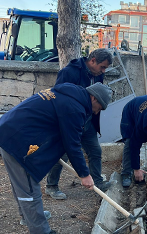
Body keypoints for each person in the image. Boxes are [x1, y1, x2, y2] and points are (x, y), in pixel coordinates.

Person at [0, 82, 113, 234]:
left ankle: (28, 216)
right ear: (94, 98)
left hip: (10, 130)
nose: (97, 112)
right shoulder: (75, 108)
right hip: (16, 140)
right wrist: (84, 174)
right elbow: (72, 143)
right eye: (100, 107)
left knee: (22, 185)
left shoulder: (68, 94)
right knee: (29, 187)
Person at [44, 48, 114, 200]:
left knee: (95, 150)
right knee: (63, 153)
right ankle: (51, 186)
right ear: (93, 60)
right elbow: (58, 96)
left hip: (88, 121)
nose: (103, 71)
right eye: (102, 66)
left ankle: (97, 181)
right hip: (69, 121)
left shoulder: (98, 75)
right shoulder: (69, 72)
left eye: (105, 68)